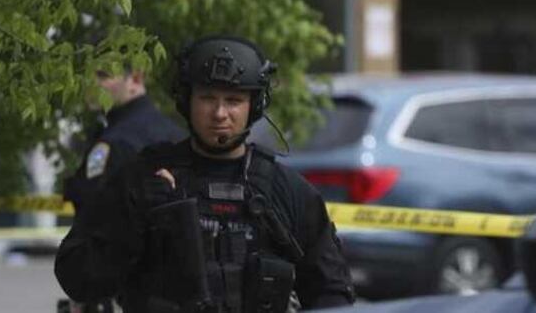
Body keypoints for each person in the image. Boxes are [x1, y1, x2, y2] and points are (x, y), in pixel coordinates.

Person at [55, 35, 356, 312]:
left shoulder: (285, 191)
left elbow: (332, 292)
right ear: (188, 100)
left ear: (253, 106)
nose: (220, 113)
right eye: (208, 98)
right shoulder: (143, 179)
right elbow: (77, 277)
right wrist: (133, 220)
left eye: (233, 100)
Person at [62, 68, 185, 213]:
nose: (91, 83)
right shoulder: (178, 135)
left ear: (135, 79)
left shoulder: (114, 141)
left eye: (103, 75)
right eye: (87, 75)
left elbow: (92, 209)